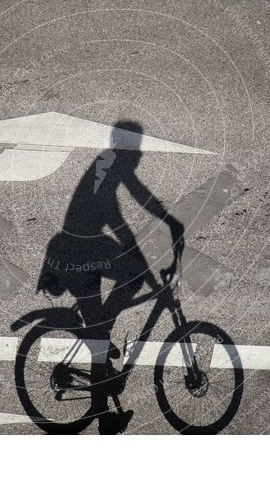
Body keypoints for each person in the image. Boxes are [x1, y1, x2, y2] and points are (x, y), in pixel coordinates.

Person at [38, 120, 185, 433]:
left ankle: (102, 363)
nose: (141, 154)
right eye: (138, 147)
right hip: (76, 254)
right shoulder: (106, 171)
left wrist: (170, 222)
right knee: (123, 291)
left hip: (85, 247)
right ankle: (101, 405)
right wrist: (150, 277)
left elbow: (140, 193)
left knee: (106, 320)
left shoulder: (111, 162)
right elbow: (122, 230)